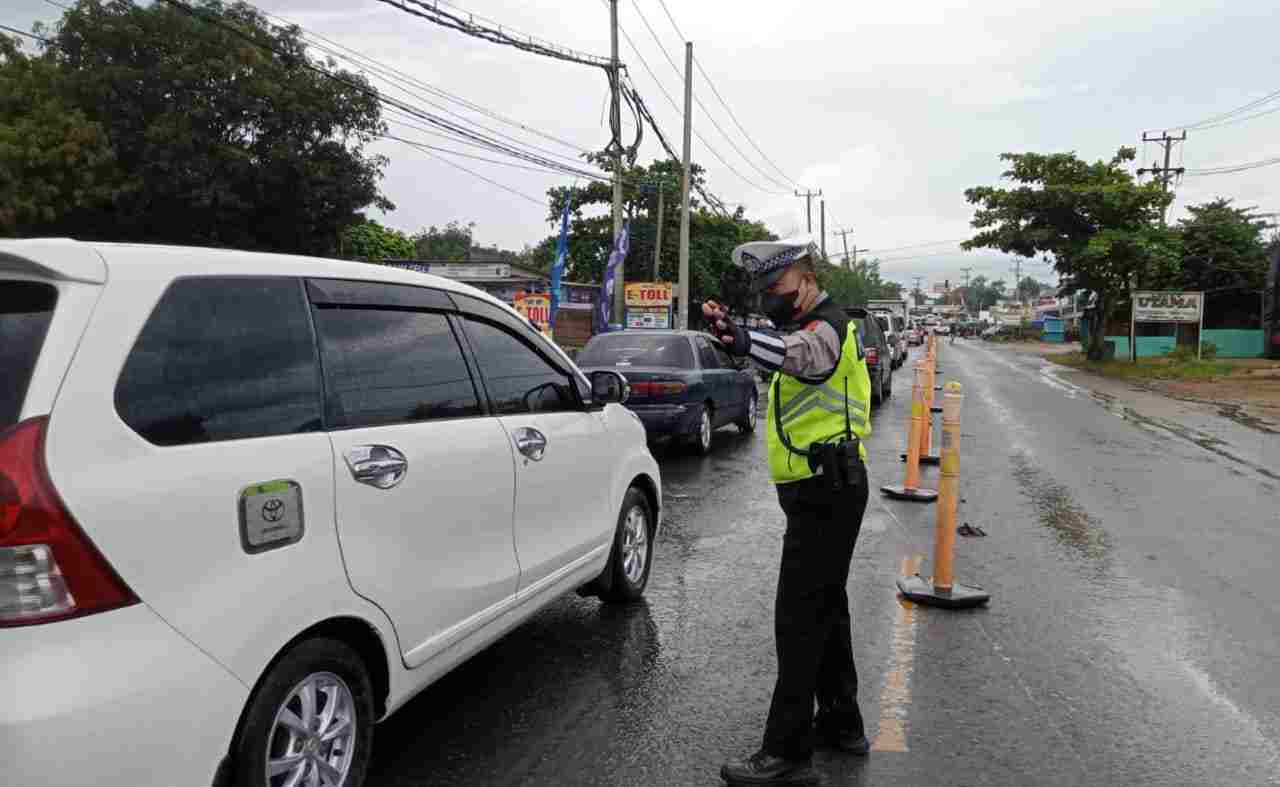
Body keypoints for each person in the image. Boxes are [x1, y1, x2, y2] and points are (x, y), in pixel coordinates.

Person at [704, 238, 873, 786]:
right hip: (819, 488)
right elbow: (779, 352)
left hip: (828, 490)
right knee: (827, 610)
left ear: (803, 278)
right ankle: (842, 725)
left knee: (799, 621)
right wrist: (736, 337)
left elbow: (799, 357)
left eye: (774, 287)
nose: (768, 297)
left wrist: (745, 337)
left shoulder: (829, 326)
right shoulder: (806, 325)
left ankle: (787, 753)